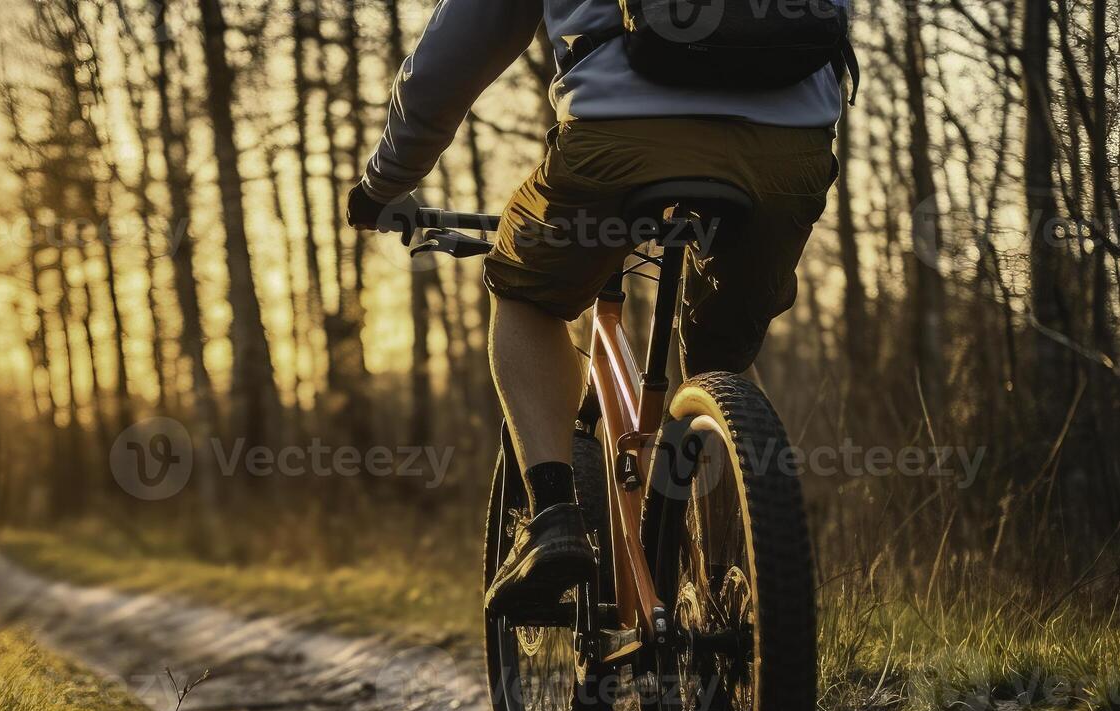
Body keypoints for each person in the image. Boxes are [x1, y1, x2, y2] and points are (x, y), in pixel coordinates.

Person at [348, 0, 848, 615]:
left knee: (526, 294)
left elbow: (455, 50)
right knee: (720, 357)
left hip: (618, 135)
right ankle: (719, 576)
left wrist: (385, 184)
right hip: (789, 151)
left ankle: (553, 514)